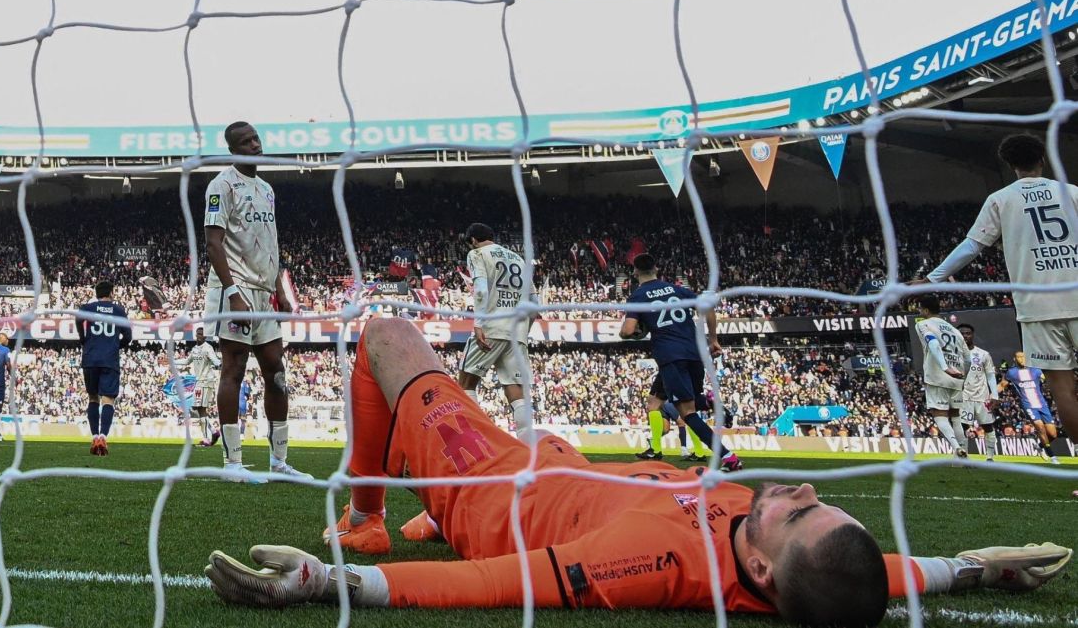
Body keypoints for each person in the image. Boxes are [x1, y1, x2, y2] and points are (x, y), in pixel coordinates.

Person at [206, 318, 1072, 627]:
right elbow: (874, 574)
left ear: (762, 567)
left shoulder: (652, 561)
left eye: (799, 512)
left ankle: (368, 514)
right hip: (568, 466)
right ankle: (415, 509)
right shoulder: (801, 566)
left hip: (492, 488)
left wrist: (335, 580)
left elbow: (494, 584)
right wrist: (974, 567)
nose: (806, 491)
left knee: (386, 337)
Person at [918, 134, 1078, 442]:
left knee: (1062, 388)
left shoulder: (1000, 199)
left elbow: (972, 246)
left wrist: (932, 279)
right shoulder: (1070, 192)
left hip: (1037, 308)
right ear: (1042, 159)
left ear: (1009, 164)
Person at [203, 121, 309, 483]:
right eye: (246, 142)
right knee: (233, 368)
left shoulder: (266, 188)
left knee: (276, 371)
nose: (255, 145)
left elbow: (270, 241)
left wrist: (279, 287)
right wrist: (232, 293)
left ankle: (279, 462)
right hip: (235, 289)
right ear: (233, 149)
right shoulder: (221, 185)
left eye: (256, 139)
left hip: (264, 292)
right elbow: (214, 242)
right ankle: (232, 463)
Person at [619, 253, 741, 471]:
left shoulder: (638, 296)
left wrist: (631, 332)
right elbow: (708, 307)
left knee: (688, 412)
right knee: (654, 403)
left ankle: (728, 458)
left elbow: (628, 330)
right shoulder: (677, 289)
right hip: (694, 353)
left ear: (635, 272)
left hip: (670, 356)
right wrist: (713, 341)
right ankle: (655, 448)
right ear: (656, 268)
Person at [457, 222, 538, 437]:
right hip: (517, 331)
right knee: (515, 389)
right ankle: (528, 444)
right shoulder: (519, 259)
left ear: (473, 240)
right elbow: (534, 302)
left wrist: (478, 323)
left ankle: (474, 437)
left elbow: (482, 290)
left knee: (465, 383)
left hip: (492, 325)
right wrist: (524, 332)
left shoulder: (477, 254)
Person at [75, 280, 132, 456]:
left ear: (97, 293)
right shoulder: (118, 310)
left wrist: (83, 338)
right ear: (112, 293)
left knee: (93, 398)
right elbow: (128, 336)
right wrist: (116, 345)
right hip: (110, 360)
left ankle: (94, 437)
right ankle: (103, 437)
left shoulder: (87, 308)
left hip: (90, 358)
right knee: (108, 399)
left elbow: (78, 318)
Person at [914, 296, 969, 459]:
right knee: (956, 417)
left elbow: (933, 343)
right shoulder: (956, 331)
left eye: (919, 308)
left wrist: (945, 368)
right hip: (958, 378)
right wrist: (963, 375)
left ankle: (956, 448)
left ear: (925, 310)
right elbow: (968, 357)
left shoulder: (923, 324)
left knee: (940, 415)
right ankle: (964, 456)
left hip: (938, 376)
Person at [998, 352, 1061, 465]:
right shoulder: (1012, 373)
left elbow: (1047, 379)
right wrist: (991, 397)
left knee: (1053, 434)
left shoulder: (1035, 370)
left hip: (1042, 404)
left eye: (1023, 357)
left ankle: (1040, 446)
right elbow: (1002, 385)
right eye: (1019, 357)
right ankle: (1053, 456)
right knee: (1040, 427)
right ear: (1015, 359)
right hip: (1028, 405)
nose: (1021, 359)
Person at [955, 324, 1000, 461]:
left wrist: (995, 395)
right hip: (963, 396)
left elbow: (991, 375)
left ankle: (990, 458)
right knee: (962, 426)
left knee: (987, 426)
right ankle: (963, 458)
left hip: (982, 396)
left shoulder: (983, 354)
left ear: (972, 335)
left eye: (968, 333)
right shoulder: (953, 354)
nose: (965, 336)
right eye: (962, 333)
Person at [636, 376, 704, 462]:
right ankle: (699, 452)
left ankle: (656, 450)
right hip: (688, 372)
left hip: (670, 371)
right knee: (688, 411)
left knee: (653, 405)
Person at [186, 327, 222, 440]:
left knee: (200, 408)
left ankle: (207, 438)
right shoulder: (195, 349)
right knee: (196, 408)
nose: (199, 336)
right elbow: (187, 361)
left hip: (206, 381)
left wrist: (221, 363)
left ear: (205, 336)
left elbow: (215, 361)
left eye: (201, 334)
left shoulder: (208, 348)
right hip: (198, 382)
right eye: (198, 334)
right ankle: (213, 431)